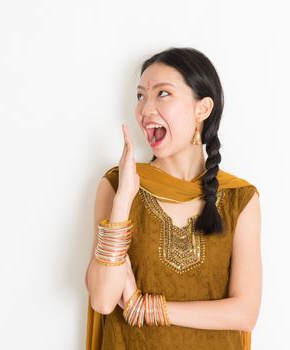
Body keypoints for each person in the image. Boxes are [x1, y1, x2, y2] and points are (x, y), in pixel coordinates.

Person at [85, 47, 262, 350]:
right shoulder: (118, 185)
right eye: (140, 96)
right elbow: (102, 300)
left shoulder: (238, 198)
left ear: (202, 109)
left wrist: (148, 308)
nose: (145, 109)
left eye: (162, 94)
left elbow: (245, 313)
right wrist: (124, 200)